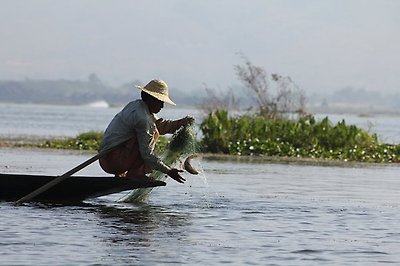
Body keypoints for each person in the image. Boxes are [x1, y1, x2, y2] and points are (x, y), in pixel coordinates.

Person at [98, 79, 193, 183]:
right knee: (153, 134)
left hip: (106, 158)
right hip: (113, 161)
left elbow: (160, 126)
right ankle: (136, 174)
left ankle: (132, 172)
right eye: (160, 101)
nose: (162, 106)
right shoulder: (142, 118)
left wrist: (182, 122)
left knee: (155, 131)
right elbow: (147, 155)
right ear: (151, 99)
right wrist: (169, 171)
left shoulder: (137, 106)